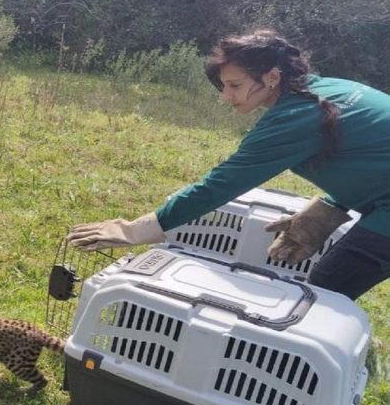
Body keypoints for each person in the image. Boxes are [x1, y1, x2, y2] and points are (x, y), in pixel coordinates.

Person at [66, 29, 390, 300]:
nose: (226, 95)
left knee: (321, 296)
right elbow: (370, 156)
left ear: (273, 77)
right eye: (224, 86)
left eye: (235, 85)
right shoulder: (329, 89)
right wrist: (330, 207)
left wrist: (134, 230)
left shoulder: (296, 116)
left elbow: (221, 185)